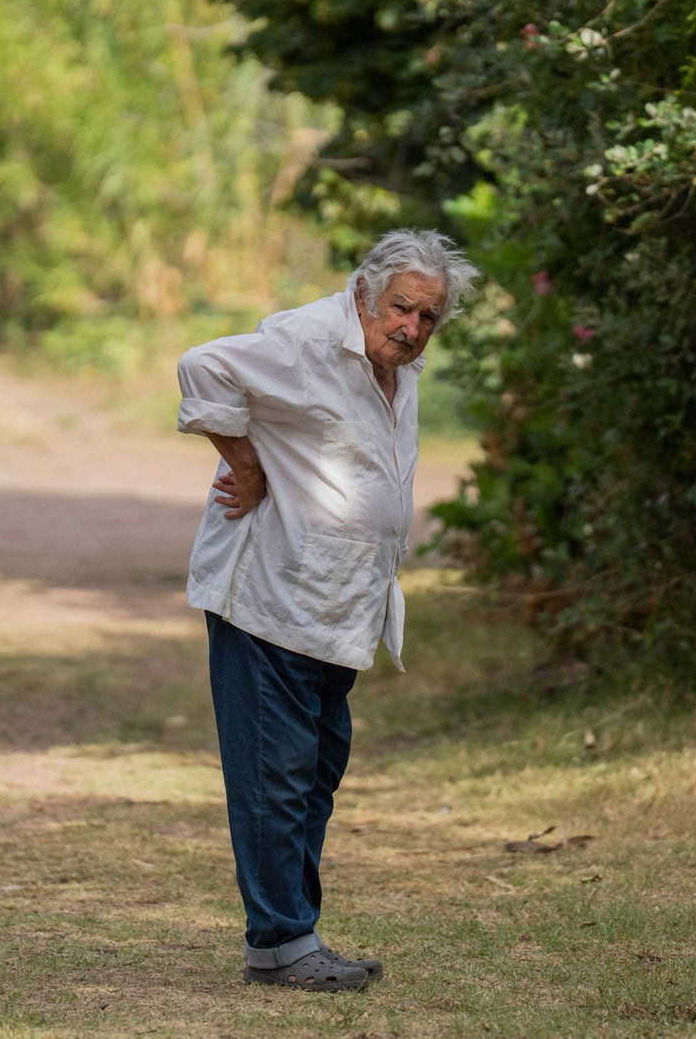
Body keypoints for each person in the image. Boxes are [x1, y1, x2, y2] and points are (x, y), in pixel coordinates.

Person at [176, 229, 478, 991]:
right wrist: (244, 463)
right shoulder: (308, 341)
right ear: (365, 293)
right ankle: (282, 942)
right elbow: (202, 364)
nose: (411, 328)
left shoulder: (393, 369)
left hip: (336, 605)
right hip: (270, 595)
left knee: (316, 771)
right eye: (401, 308)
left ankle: (288, 938)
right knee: (275, 776)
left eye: (427, 317)